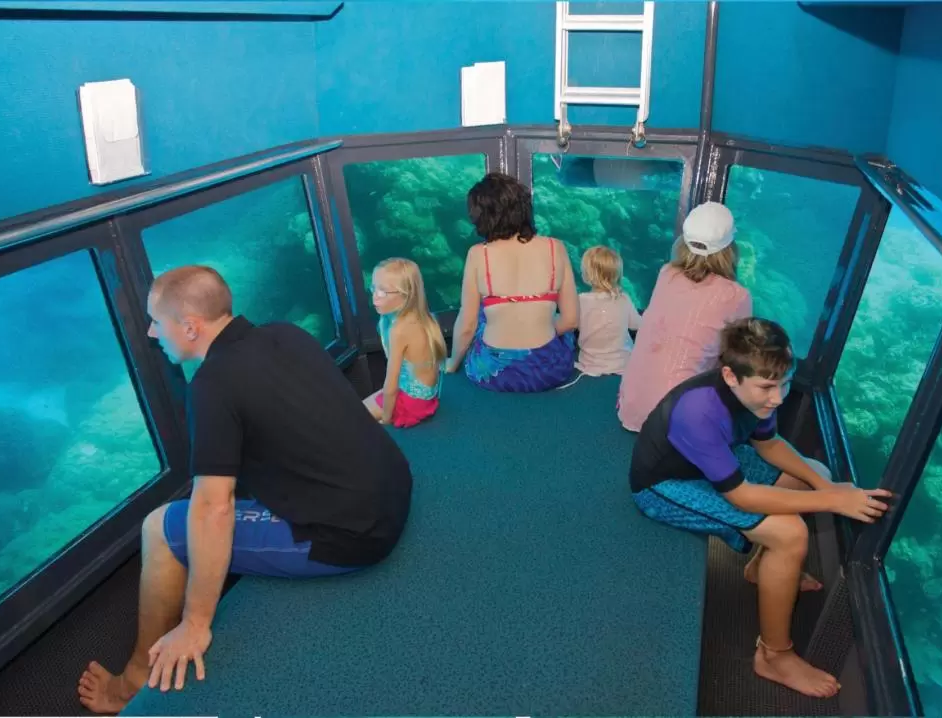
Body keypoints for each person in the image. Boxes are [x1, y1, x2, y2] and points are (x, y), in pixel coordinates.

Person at [78, 265, 413, 713]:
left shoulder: (212, 386)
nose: (152, 332)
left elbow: (214, 509)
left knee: (160, 527)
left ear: (190, 327)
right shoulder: (286, 333)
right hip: (393, 485)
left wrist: (196, 623)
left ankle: (133, 680)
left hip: (355, 535)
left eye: (157, 321)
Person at [628, 317, 892, 699]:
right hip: (665, 486)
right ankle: (774, 656)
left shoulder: (756, 391)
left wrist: (826, 485)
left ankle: (763, 568)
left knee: (813, 471)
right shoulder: (698, 412)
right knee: (790, 534)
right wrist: (833, 500)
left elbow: (769, 445)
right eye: (769, 386)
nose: (780, 397)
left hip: (712, 466)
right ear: (731, 376)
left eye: (785, 383)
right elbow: (742, 497)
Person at [617, 201, 752, 432]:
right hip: (676, 421)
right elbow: (734, 356)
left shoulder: (667, 273)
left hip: (630, 406)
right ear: (730, 249)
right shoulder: (737, 296)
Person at [446, 172, 579, 392]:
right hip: (550, 372)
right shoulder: (556, 247)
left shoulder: (478, 255)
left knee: (482, 313)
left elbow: (466, 327)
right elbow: (571, 320)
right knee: (558, 328)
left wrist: (452, 364)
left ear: (481, 216)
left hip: (493, 372)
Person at [364, 258, 445, 427]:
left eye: (383, 292)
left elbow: (391, 383)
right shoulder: (426, 318)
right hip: (427, 397)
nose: (374, 298)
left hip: (411, 403)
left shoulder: (399, 330)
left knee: (354, 415)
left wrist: (386, 419)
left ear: (406, 294)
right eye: (373, 288)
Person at [574, 245, 642, 376]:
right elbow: (637, 325)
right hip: (623, 362)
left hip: (590, 363)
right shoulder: (624, 299)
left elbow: (572, 324)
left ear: (587, 275)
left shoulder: (580, 300)